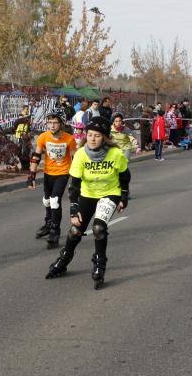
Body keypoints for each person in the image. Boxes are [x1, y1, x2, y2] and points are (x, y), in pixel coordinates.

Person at [46, 116, 131, 290]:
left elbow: (125, 176)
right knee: (76, 230)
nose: (92, 139)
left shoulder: (115, 154)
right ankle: (64, 259)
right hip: (88, 194)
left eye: (97, 135)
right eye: (90, 135)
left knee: (99, 228)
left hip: (110, 193)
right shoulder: (81, 154)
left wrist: (123, 198)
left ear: (105, 138)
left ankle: (100, 264)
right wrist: (73, 209)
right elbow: (74, 185)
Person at [27, 110, 77, 248]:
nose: (52, 125)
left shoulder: (69, 139)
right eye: (50, 122)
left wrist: (77, 179)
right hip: (48, 172)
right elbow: (36, 156)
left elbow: (75, 158)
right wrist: (31, 177)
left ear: (61, 124)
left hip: (63, 172)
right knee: (47, 201)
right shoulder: (43, 137)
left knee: (55, 200)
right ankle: (48, 223)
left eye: (55, 123)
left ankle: (55, 230)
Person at [14, 106, 32, 171]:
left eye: (28, 109)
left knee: (26, 150)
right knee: (21, 150)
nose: (27, 110)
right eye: (27, 109)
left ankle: (26, 166)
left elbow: (29, 126)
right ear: (23, 109)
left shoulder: (28, 116)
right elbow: (15, 124)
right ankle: (22, 165)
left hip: (26, 135)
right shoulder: (20, 116)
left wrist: (29, 132)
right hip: (20, 135)